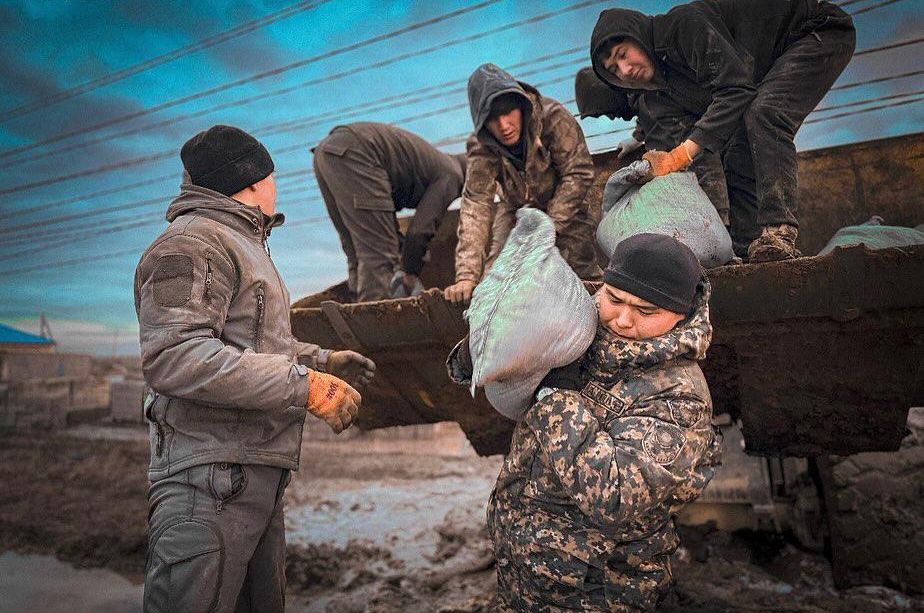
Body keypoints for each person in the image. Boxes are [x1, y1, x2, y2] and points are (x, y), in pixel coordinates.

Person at [134, 125, 376, 612]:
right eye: (272, 176)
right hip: (208, 486)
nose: (275, 186)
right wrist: (305, 386)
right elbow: (175, 355)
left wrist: (320, 361)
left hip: (249, 480)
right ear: (251, 182)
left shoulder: (242, 244)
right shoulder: (193, 243)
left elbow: (253, 345)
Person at [480, 233, 722, 611]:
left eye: (646, 312)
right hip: (524, 567)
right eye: (614, 299)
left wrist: (555, 395)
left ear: (682, 314)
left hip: (595, 589)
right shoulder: (579, 328)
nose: (622, 320)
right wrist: (482, 352)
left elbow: (615, 496)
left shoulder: (679, 397)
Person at [590, 1, 855, 261]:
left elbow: (736, 90)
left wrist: (680, 155)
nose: (625, 70)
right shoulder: (662, 95)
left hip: (816, 32)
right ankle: (748, 250)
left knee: (765, 113)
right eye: (613, 70)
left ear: (638, 37)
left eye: (623, 54)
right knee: (738, 151)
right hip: (761, 73)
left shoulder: (683, 27)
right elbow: (701, 150)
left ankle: (779, 230)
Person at [444, 63, 602, 304]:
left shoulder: (553, 118)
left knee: (582, 275)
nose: (504, 125)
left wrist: (549, 227)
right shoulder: (481, 145)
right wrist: (466, 275)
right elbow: (476, 203)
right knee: (495, 279)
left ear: (521, 106)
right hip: (516, 208)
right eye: (492, 118)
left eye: (508, 112)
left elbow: (578, 172)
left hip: (566, 207)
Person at [313, 122, 466, 301]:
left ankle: (355, 310)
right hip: (358, 153)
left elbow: (386, 218)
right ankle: (373, 317)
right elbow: (419, 231)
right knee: (380, 254)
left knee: (356, 250)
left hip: (326, 154)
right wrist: (409, 271)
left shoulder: (438, 163)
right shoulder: (452, 174)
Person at [575, 66, 730, 226]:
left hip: (704, 195)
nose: (612, 118)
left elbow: (701, 155)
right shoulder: (644, 98)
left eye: (606, 112)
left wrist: (718, 214)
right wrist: (637, 137)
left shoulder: (655, 104)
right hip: (688, 195)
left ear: (609, 96)